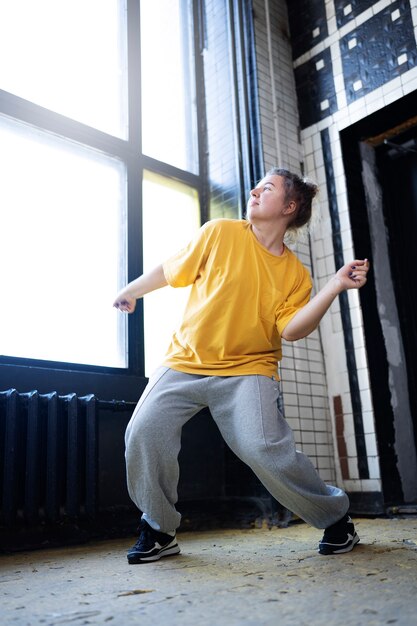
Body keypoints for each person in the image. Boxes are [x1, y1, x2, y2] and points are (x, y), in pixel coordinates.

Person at [113, 167, 369, 564]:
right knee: (143, 431)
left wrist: (334, 285)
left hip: (248, 370)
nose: (253, 191)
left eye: (266, 188)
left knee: (263, 447)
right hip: (185, 359)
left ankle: (337, 521)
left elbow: (292, 330)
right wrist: (133, 290)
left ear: (289, 206)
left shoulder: (295, 275)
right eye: (255, 186)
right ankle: (160, 530)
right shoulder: (220, 232)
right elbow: (172, 268)